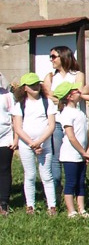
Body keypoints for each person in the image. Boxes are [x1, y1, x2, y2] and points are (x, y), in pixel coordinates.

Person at [42, 45, 86, 193]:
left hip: (73, 121)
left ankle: (74, 188)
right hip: (56, 120)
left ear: (64, 57)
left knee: (75, 152)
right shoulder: (50, 77)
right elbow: (49, 95)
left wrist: (58, 95)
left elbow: (77, 94)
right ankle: (56, 190)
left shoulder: (77, 74)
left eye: (54, 57)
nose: (51, 60)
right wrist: (64, 95)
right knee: (56, 156)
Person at [12, 73, 57, 215]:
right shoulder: (20, 105)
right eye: (31, 85)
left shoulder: (47, 102)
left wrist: (40, 142)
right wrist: (32, 143)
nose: (35, 87)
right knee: (30, 175)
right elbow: (18, 128)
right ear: (24, 88)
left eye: (37, 84)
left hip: (45, 144)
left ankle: (52, 206)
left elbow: (51, 125)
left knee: (47, 175)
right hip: (26, 144)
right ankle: (30, 206)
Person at [54, 83, 89, 218]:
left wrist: (88, 149)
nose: (79, 92)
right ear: (69, 96)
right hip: (70, 155)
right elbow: (71, 136)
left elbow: (85, 133)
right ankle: (71, 210)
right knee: (71, 182)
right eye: (76, 90)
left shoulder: (79, 112)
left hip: (82, 154)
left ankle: (82, 209)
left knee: (81, 182)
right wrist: (82, 151)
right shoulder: (66, 113)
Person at [0, 77, 15, 216]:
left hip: (5, 139)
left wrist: (15, 138)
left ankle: (3, 203)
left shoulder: (7, 95)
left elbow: (15, 117)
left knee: (4, 170)